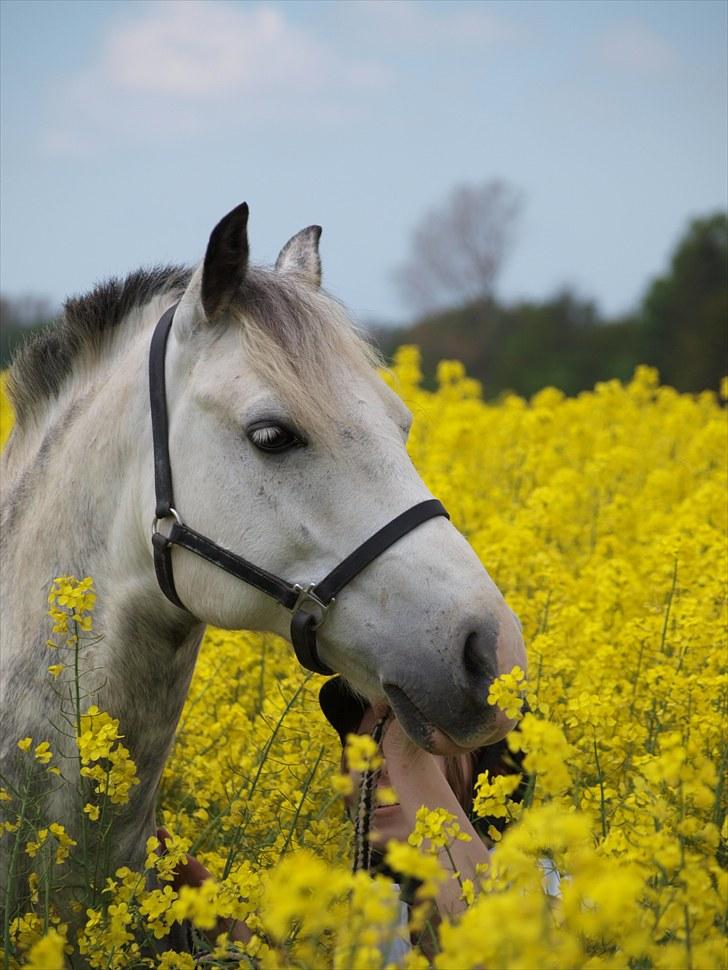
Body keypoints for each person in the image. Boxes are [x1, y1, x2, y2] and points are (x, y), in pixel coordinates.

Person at [318, 676, 529, 956]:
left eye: (412, 740)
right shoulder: (371, 922)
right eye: (363, 749)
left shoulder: (547, 891)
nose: (378, 768)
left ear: (485, 771)